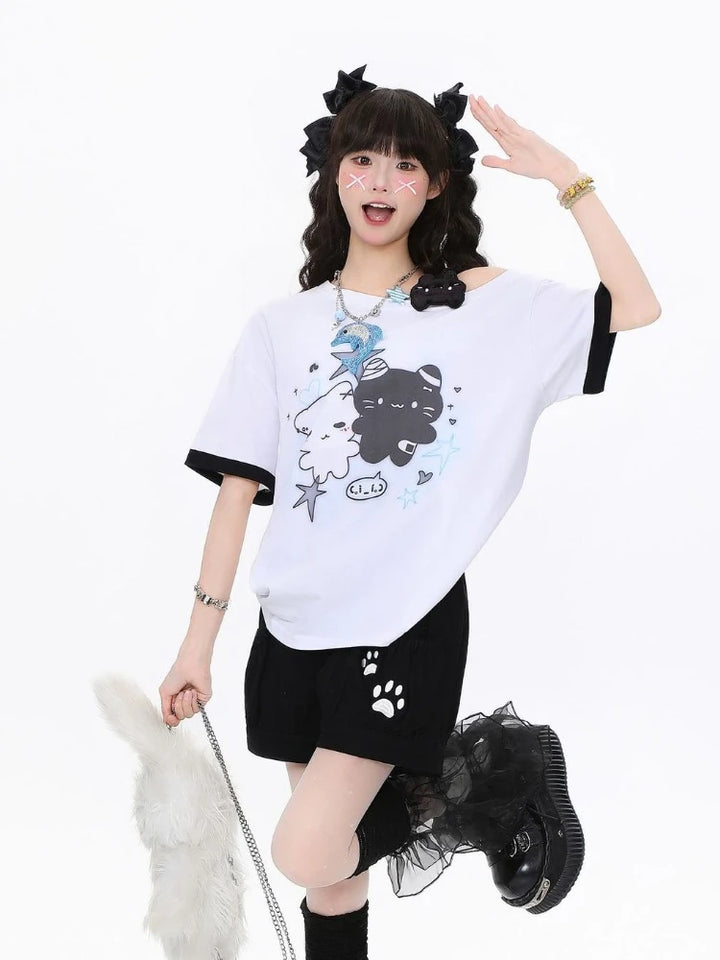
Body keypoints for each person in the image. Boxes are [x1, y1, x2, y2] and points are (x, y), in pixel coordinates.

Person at [159, 66, 661, 959]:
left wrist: (567, 179)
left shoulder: (479, 305)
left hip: (404, 621)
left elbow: (635, 306)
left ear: (435, 184)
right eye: (362, 159)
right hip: (292, 629)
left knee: (304, 848)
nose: (381, 181)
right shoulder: (280, 327)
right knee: (332, 876)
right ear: (333, 172)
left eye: (405, 165)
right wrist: (197, 644)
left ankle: (472, 780)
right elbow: (237, 491)